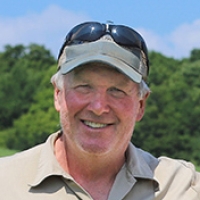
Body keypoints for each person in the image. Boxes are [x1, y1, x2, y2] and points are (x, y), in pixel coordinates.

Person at [0, 21, 200, 200]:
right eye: (84, 87)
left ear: (141, 105)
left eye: (117, 91)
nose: (98, 107)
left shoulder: (181, 187)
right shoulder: (5, 182)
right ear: (58, 94)